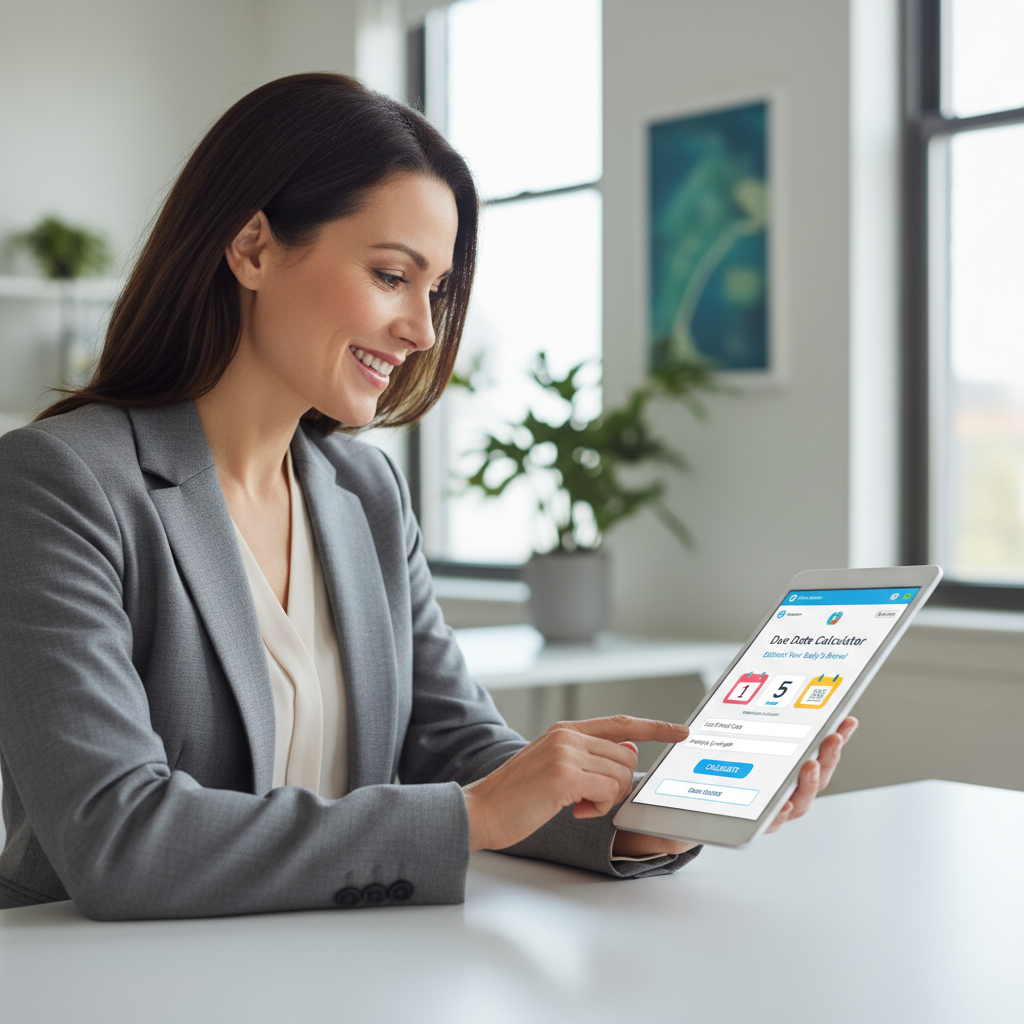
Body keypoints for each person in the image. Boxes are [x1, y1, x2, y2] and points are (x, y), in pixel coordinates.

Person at [0, 74, 856, 920]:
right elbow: (115, 837)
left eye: (436, 290)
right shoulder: (61, 483)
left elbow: (455, 747)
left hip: (336, 969)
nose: (421, 330)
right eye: (389, 275)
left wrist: (650, 814)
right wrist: (473, 815)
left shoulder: (365, 494)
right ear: (253, 247)